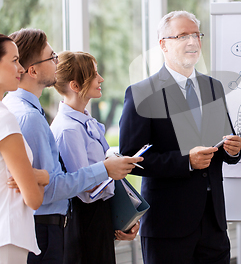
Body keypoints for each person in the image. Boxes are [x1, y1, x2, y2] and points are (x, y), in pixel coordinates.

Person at [3, 28, 143, 264]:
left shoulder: (23, 111)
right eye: (52, 57)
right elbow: (47, 191)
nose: (57, 62)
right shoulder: (29, 117)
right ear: (33, 70)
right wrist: (104, 169)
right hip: (45, 230)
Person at [119, 10, 241, 263]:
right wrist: (186, 161)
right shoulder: (142, 93)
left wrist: (233, 150)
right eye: (182, 36)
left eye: (196, 35)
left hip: (213, 223)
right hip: (168, 225)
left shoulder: (213, 87)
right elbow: (132, 159)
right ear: (163, 44)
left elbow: (224, 140)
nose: (192, 41)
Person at [50, 51, 140, 264]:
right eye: (94, 74)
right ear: (75, 85)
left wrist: (122, 219)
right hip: (84, 223)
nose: (100, 79)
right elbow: (86, 189)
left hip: (98, 219)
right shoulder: (68, 130)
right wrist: (112, 168)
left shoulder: (85, 121)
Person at [0, 34, 49, 263]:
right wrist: (43, 176)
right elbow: (34, 199)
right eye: (14, 60)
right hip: (9, 235)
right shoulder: (4, 119)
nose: (20, 68)